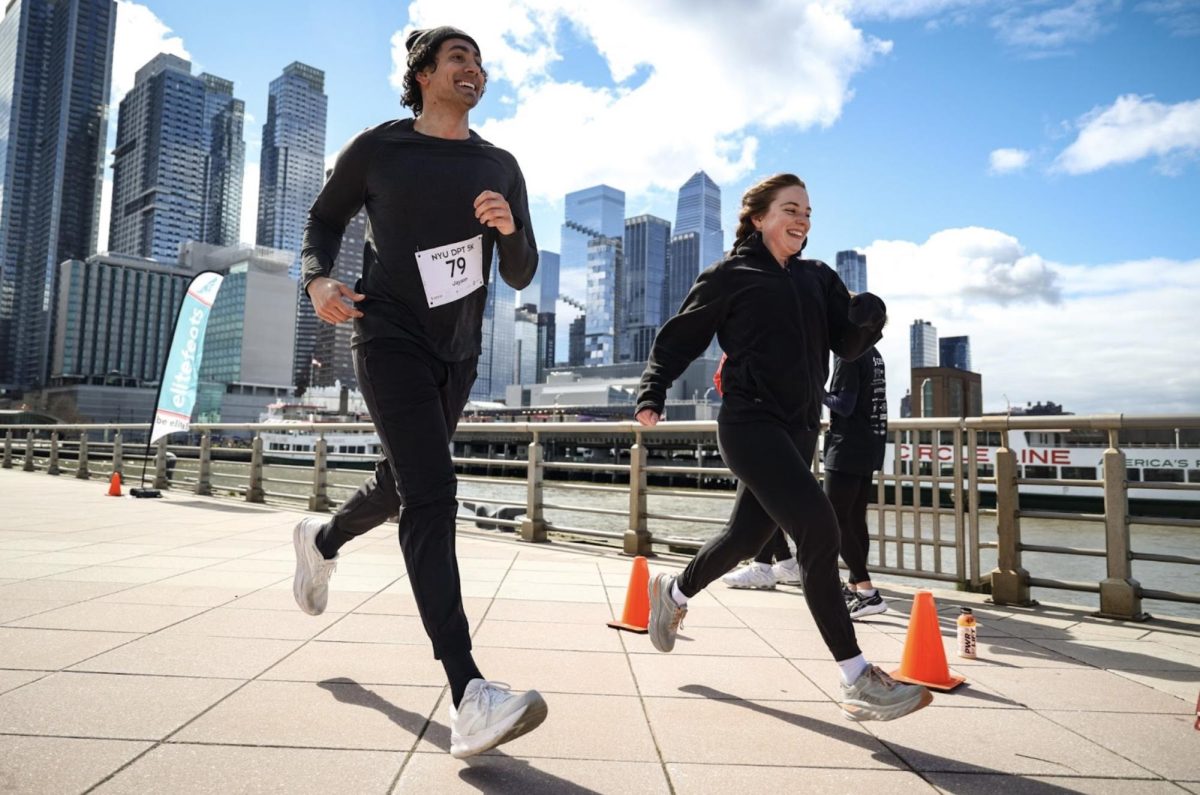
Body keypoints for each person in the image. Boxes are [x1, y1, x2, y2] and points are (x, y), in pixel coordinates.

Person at [290, 26, 546, 759]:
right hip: (388, 334)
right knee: (433, 492)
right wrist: (317, 278)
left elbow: (522, 271)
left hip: (457, 355)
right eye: (459, 58)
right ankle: (470, 692)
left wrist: (509, 226)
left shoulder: (499, 164)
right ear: (424, 72)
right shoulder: (380, 148)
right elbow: (323, 218)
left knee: (401, 486)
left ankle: (324, 537)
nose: (475, 69)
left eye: (480, 61)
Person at [635, 174, 932, 722]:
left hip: (800, 428)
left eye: (808, 213)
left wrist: (868, 317)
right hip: (749, 424)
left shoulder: (817, 277)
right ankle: (857, 676)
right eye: (790, 209)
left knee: (745, 537)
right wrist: (653, 388)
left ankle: (673, 594)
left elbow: (846, 342)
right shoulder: (730, 275)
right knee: (819, 529)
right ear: (758, 217)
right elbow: (681, 335)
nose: (802, 220)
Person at [824, 346, 889, 618]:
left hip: (846, 447)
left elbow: (845, 405)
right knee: (855, 520)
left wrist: (813, 389)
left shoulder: (847, 355)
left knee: (834, 520)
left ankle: (867, 591)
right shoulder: (873, 353)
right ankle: (854, 586)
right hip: (870, 445)